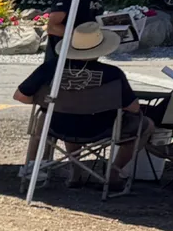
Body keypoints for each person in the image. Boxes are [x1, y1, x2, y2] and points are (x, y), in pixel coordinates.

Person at [13, 21, 151, 187]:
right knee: (146, 125)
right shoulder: (112, 74)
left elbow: (20, 96)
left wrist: (47, 102)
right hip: (101, 128)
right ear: (100, 48)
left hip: (58, 125)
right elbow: (133, 107)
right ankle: (114, 172)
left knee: (54, 115)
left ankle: (74, 172)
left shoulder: (50, 68)